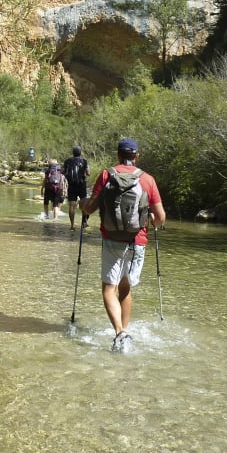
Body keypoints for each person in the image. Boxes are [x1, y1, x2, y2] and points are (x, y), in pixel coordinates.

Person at [79, 137, 165, 351]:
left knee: (109, 289)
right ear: (136, 156)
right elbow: (160, 217)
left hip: (111, 239)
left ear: (118, 155)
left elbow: (90, 208)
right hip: (137, 241)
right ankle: (124, 333)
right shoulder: (148, 180)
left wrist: (82, 206)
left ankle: (120, 332)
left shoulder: (107, 175)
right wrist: (151, 221)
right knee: (125, 288)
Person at [62, 146, 91, 231]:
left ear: (73, 152)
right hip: (82, 185)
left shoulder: (68, 161)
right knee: (84, 204)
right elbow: (88, 173)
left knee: (72, 205)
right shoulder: (84, 161)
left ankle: (72, 225)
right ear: (80, 153)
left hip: (71, 185)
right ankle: (84, 222)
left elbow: (62, 171)